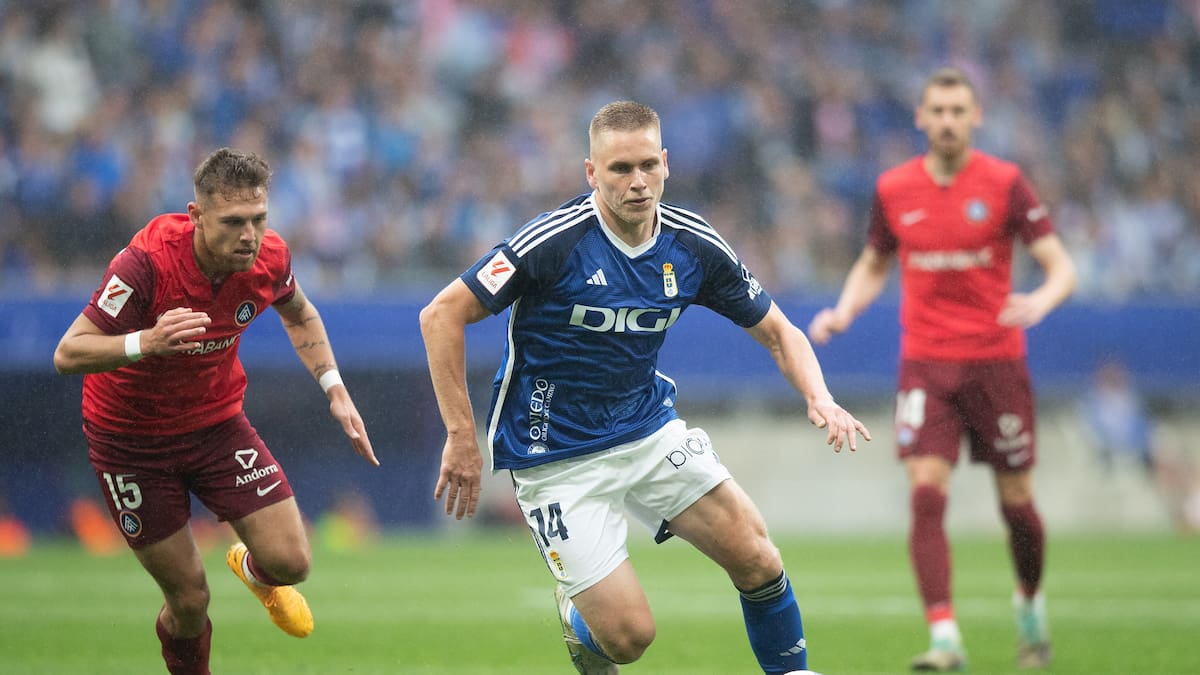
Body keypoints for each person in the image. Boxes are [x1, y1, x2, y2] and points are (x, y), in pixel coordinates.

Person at [419, 100, 869, 675]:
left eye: (647, 166)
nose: (637, 182)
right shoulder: (552, 242)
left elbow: (781, 333)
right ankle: (579, 618)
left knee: (758, 558)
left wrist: (819, 395)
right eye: (620, 169)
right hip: (553, 453)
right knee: (629, 639)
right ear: (591, 173)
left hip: (647, 430)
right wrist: (461, 436)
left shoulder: (691, 244)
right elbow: (441, 315)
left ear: (665, 164)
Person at [53, 147, 379, 675]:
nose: (249, 235)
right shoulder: (147, 263)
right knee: (189, 601)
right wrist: (146, 341)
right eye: (233, 222)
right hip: (131, 442)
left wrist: (334, 388)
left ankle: (252, 571)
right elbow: (68, 352)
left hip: (215, 426)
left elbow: (300, 313)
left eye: (258, 219)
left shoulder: (270, 257)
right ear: (197, 215)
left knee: (291, 562)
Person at [807, 67, 1077, 672]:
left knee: (1017, 502)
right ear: (921, 118)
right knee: (926, 492)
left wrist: (1042, 299)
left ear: (975, 116)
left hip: (996, 364)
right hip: (926, 365)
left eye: (958, 111)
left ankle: (1029, 600)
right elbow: (874, 261)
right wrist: (845, 311)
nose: (948, 121)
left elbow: (1061, 266)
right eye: (938, 111)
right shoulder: (894, 188)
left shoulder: (1005, 183)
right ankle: (945, 637)